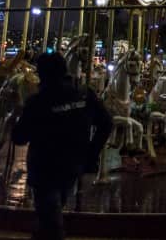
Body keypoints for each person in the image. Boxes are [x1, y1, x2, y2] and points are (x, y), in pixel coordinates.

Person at [13, 52, 112, 240]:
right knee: (51, 212)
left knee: (50, 218)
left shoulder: (38, 101)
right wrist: (91, 153)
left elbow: (19, 137)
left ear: (42, 74)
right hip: (73, 165)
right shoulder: (84, 94)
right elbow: (106, 123)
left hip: (45, 168)